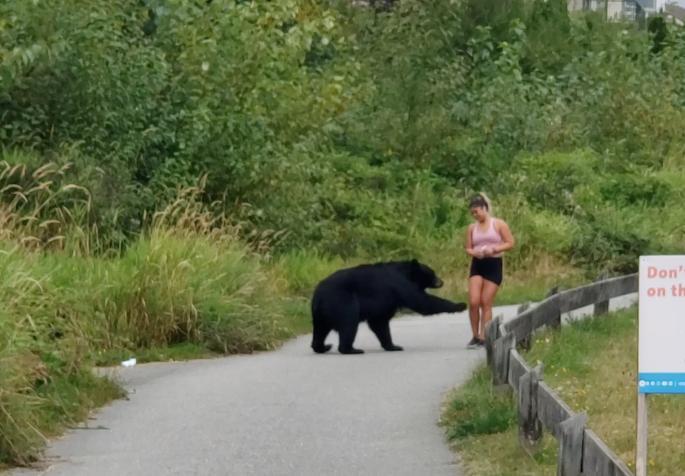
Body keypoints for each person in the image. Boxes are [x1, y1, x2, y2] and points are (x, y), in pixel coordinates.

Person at [464, 193, 515, 349]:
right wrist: (475, 253)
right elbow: (468, 248)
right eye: (472, 213)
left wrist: (494, 249)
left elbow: (510, 243)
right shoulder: (472, 228)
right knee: (474, 301)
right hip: (478, 264)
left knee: (486, 301)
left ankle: (485, 335)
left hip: (494, 263)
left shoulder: (498, 224)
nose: (475, 216)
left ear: (484, 209)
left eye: (477, 212)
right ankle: (475, 336)